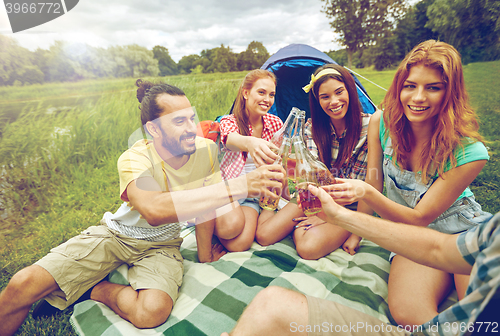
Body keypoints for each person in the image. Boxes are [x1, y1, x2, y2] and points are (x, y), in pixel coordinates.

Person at [0, 80, 285, 335]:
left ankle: (91, 290)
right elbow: (153, 209)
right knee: (22, 284)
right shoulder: (134, 157)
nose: (190, 128)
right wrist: (241, 185)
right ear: (153, 128)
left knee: (151, 312)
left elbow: (205, 205)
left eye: (191, 118)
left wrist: (205, 254)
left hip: (162, 245)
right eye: (178, 121)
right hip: (116, 235)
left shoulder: (205, 150)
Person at [320, 40, 493, 327]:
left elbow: (420, 217)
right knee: (408, 312)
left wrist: (363, 195)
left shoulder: (470, 152)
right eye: (410, 85)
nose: (418, 97)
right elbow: (373, 180)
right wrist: (356, 231)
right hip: (410, 237)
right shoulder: (382, 122)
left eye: (433, 87)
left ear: (451, 92)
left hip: (462, 230)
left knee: (481, 310)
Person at [221, 184, 499, 336]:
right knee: (268, 305)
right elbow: (440, 250)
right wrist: (343, 218)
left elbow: (422, 219)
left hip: (451, 221)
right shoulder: (491, 237)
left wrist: (358, 204)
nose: (417, 98)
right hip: (432, 240)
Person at [256, 63, 371, 259]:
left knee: (308, 248)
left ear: (350, 91)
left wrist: (355, 234)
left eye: (339, 92)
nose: (333, 102)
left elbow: (370, 185)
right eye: (325, 97)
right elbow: (310, 176)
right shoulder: (311, 127)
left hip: (348, 207)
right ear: (317, 101)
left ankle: (295, 221)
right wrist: (320, 214)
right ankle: (271, 200)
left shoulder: (370, 126)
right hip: (314, 197)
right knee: (264, 236)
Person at [216, 69, 284, 252]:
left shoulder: (275, 123)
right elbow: (230, 140)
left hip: (256, 195)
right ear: (246, 93)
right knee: (231, 230)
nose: (267, 99)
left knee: (241, 244)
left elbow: (281, 158)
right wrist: (251, 142)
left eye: (271, 95)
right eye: (261, 92)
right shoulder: (229, 121)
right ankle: (211, 222)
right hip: (232, 190)